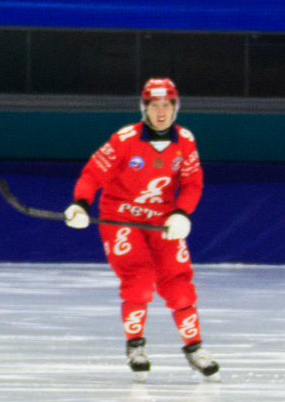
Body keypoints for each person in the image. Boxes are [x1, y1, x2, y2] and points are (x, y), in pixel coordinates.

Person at [65, 78, 220, 383]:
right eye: (154, 105)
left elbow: (192, 184)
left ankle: (195, 349)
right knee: (139, 281)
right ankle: (135, 347)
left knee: (177, 282)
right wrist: (81, 203)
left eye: (167, 105)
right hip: (120, 218)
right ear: (144, 108)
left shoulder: (185, 141)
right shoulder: (124, 139)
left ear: (175, 108)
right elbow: (93, 173)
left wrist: (181, 213)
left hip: (161, 222)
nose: (160, 112)